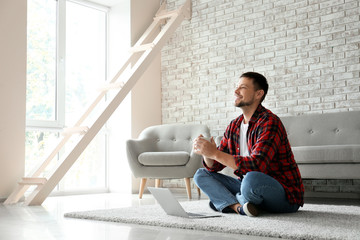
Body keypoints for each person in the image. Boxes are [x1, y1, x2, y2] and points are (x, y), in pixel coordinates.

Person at [193, 72, 304, 217]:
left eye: (242, 87)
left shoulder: (269, 122)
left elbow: (257, 165)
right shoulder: (234, 125)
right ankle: (238, 207)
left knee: (251, 179)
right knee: (201, 174)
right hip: (248, 187)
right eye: (236, 87)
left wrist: (214, 153)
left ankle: (225, 202)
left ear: (258, 94)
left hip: (282, 194)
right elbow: (216, 166)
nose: (235, 91)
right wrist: (208, 154)